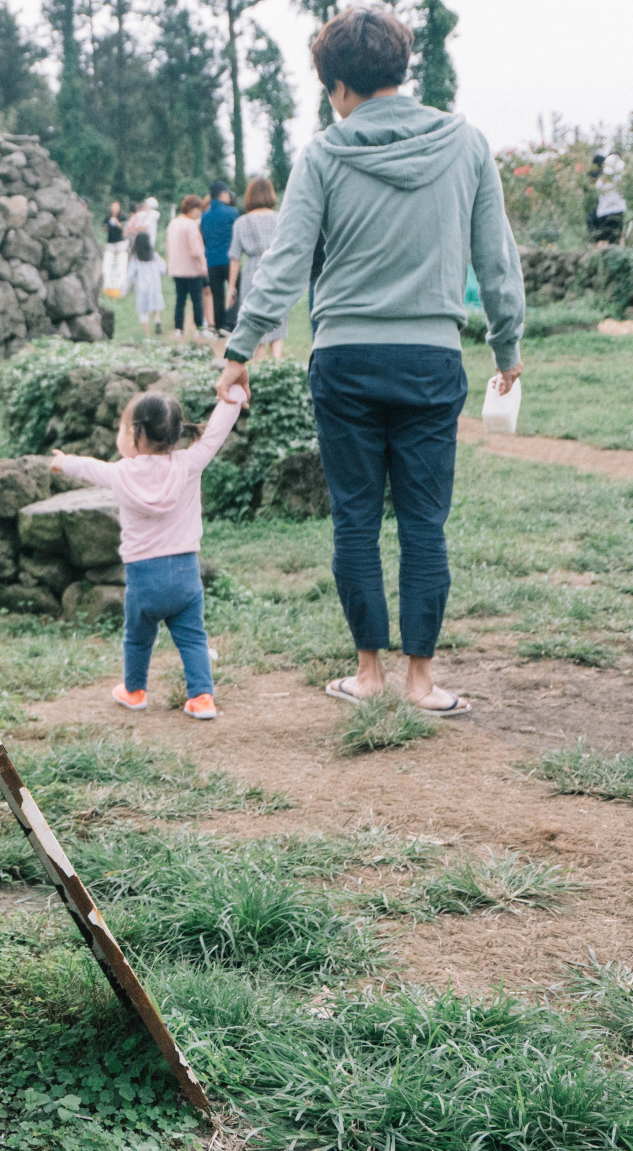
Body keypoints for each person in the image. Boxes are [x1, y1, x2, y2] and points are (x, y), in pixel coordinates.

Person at [218, 4, 525, 717]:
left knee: (354, 518)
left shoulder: (325, 153)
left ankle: (367, 674)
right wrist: (505, 345)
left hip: (345, 360)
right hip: (430, 358)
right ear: (401, 69)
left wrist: (240, 348)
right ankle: (422, 681)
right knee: (424, 521)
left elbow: (287, 262)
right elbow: (496, 259)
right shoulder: (466, 142)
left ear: (336, 86)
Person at [51, 384, 248, 721]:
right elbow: (215, 434)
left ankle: (134, 690)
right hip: (186, 574)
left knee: (138, 640)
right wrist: (235, 395)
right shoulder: (189, 464)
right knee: (193, 639)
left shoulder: (120, 473)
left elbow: (88, 467)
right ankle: (202, 698)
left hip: (143, 579)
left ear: (136, 433)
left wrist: (63, 462)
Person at [232, 176, 288, 358]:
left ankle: (261, 364)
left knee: (255, 320)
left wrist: (231, 286)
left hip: (252, 272)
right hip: (276, 271)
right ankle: (277, 363)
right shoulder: (281, 218)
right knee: (278, 318)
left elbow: (235, 257)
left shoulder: (241, 222)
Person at [201, 181, 240, 333]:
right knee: (234, 290)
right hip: (230, 260)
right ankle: (230, 323)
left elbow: (204, 236)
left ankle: (219, 325)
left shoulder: (205, 215)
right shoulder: (232, 213)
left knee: (217, 294)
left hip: (212, 260)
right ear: (223, 194)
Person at [167, 195, 209, 338]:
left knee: (180, 300)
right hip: (192, 270)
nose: (199, 213)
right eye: (198, 209)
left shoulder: (173, 223)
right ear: (192, 209)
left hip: (176, 268)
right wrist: (203, 265)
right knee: (197, 300)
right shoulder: (191, 225)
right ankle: (199, 328)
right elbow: (196, 249)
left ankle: (179, 329)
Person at [126, 232, 167, 335]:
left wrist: (125, 289)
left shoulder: (135, 258)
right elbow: (163, 268)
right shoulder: (154, 255)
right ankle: (157, 320)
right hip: (155, 285)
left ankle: (147, 335)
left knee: (143, 311)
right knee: (155, 305)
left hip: (142, 287)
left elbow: (130, 275)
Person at [590, 152, 627, 246]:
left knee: (605, 240)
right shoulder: (619, 180)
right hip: (616, 211)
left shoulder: (601, 181)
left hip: (604, 212)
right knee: (617, 239)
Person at [103, 201, 130, 298]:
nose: (114, 209)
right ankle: (108, 284)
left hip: (120, 242)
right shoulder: (107, 218)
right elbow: (104, 229)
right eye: (113, 207)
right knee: (109, 261)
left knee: (120, 262)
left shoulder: (122, 217)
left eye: (116, 207)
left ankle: (120, 284)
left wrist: (117, 223)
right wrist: (106, 226)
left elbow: (125, 229)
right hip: (110, 242)